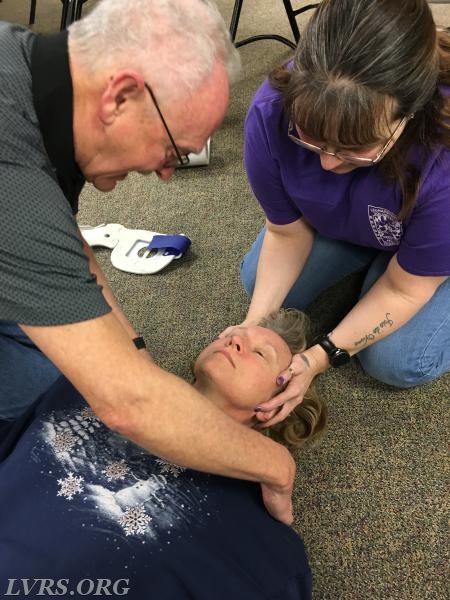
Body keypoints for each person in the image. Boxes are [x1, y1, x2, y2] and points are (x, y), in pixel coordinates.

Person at [0, 0, 296, 525]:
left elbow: (68, 247)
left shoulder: (29, 73)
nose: (164, 176)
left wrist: (132, 350)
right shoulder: (14, 176)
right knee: (48, 399)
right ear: (119, 97)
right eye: (171, 152)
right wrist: (277, 466)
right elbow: (128, 406)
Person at [0, 310, 326, 599]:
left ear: (274, 407)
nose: (235, 341)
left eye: (260, 353)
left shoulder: (262, 545)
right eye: (232, 335)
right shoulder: (86, 387)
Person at [231, 0, 450, 427]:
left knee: (396, 362)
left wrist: (320, 357)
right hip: (372, 221)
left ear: (408, 114)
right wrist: (253, 326)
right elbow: (286, 233)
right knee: (258, 285)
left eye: (355, 149)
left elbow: (405, 290)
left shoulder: (441, 154)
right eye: (311, 139)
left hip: (427, 239)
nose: (328, 165)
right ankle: (378, 254)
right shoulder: (270, 111)